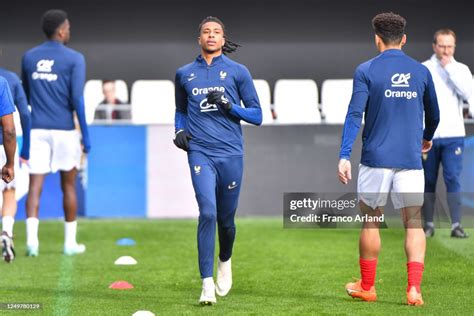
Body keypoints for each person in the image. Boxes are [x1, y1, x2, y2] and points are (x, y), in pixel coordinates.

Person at [337, 12, 439, 306]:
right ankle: (414, 290)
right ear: (404, 39)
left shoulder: (366, 70)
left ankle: (367, 286)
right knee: (414, 223)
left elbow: (354, 115)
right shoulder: (421, 72)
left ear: (377, 39)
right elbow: (434, 114)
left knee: (371, 221)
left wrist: (344, 154)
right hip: (410, 159)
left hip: (375, 159)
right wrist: (427, 135)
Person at [173, 16, 262, 305]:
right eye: (206, 32)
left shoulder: (238, 72)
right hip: (200, 152)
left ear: (224, 40)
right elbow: (180, 110)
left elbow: (257, 115)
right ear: (199, 39)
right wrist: (179, 129)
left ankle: (225, 260)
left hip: (231, 153)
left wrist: (229, 105)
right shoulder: (184, 73)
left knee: (225, 220)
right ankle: (206, 285)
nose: (211, 36)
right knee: (208, 213)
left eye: (217, 32)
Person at [21, 9, 91, 257]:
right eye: (68, 28)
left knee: (35, 184)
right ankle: (69, 244)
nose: (69, 31)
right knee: (68, 186)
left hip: (37, 128)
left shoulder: (28, 57)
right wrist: (86, 134)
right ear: (61, 30)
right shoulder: (75, 58)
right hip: (64, 130)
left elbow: (27, 97)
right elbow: (76, 99)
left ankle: (32, 242)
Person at [422, 29, 472, 238]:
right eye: (442, 46)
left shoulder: (461, 69)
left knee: (453, 178)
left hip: (454, 135)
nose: (446, 51)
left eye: (450, 46)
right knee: (428, 180)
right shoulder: (423, 68)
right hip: (429, 136)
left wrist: (449, 69)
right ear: (434, 46)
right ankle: (428, 225)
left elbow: (469, 95)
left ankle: (456, 225)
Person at [0, 67, 32, 262]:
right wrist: (11, 162)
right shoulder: (6, 80)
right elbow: (11, 128)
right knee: (8, 192)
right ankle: (6, 231)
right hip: (1, 148)